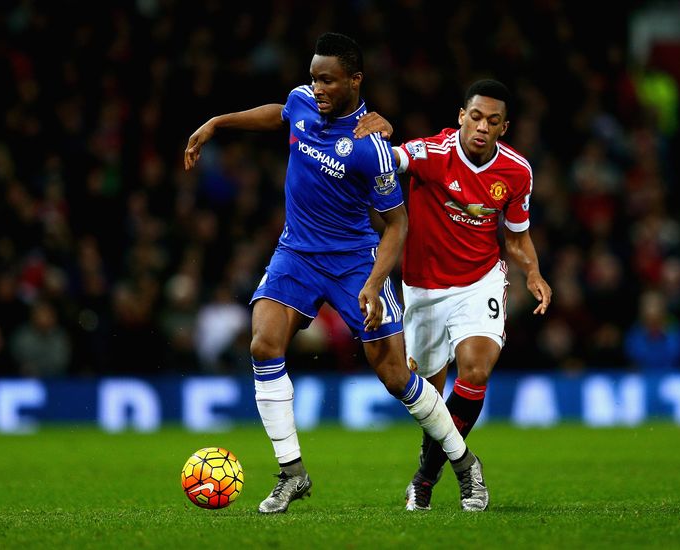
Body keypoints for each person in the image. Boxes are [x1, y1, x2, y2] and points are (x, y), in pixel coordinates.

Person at [184, 32, 489, 514]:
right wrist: (217, 123)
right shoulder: (302, 102)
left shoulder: (373, 146)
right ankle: (292, 473)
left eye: (327, 79)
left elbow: (398, 224)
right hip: (297, 253)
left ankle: (463, 461)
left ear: (354, 80)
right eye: (313, 77)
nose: (317, 87)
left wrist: (372, 283)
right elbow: (280, 113)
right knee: (263, 344)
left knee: (393, 375)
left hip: (354, 262)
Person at [355, 79, 552, 510]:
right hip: (422, 290)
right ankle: (437, 468)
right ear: (461, 116)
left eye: (493, 121)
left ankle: (427, 478)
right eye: (476, 116)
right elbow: (387, 160)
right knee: (431, 402)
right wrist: (380, 133)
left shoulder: (517, 172)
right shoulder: (431, 154)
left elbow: (517, 237)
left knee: (475, 371)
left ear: (504, 127)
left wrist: (533, 273)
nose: (482, 126)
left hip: (479, 281)